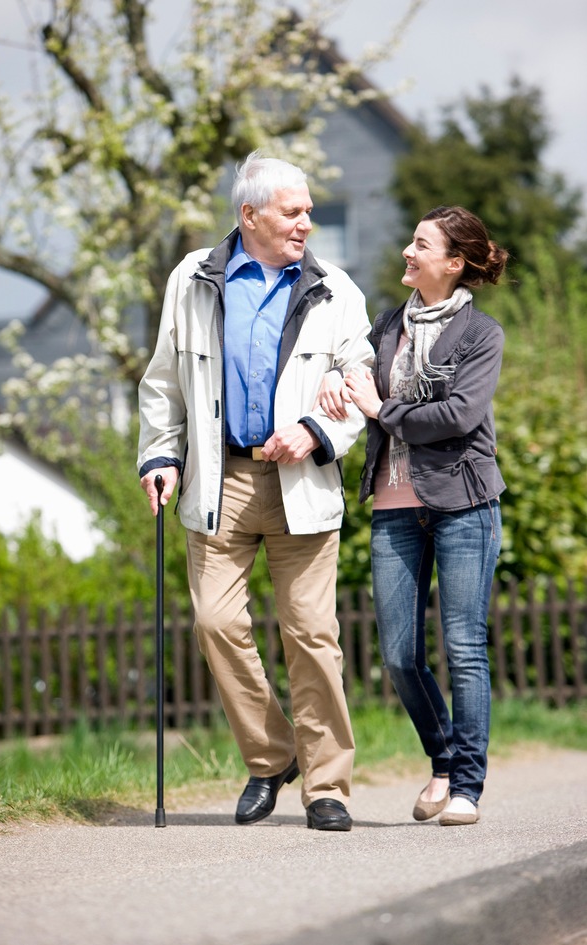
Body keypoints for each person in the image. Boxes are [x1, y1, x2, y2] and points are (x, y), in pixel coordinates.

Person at [138, 151, 374, 831]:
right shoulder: (194, 279)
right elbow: (162, 381)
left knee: (312, 635)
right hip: (221, 478)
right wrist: (161, 455)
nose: (307, 222)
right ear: (249, 214)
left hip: (300, 479)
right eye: (293, 211)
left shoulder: (335, 288)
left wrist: (315, 430)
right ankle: (271, 757)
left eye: (308, 210)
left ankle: (327, 785)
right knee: (214, 621)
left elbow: (360, 385)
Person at [318, 205, 508, 826]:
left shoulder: (482, 336)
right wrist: (336, 385)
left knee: (464, 648)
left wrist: (382, 409)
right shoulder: (386, 327)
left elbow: (458, 415)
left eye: (421, 245)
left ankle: (467, 789)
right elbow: (356, 382)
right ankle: (444, 759)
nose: (407, 250)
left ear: (453, 263)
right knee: (399, 655)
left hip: (463, 504)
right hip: (395, 506)